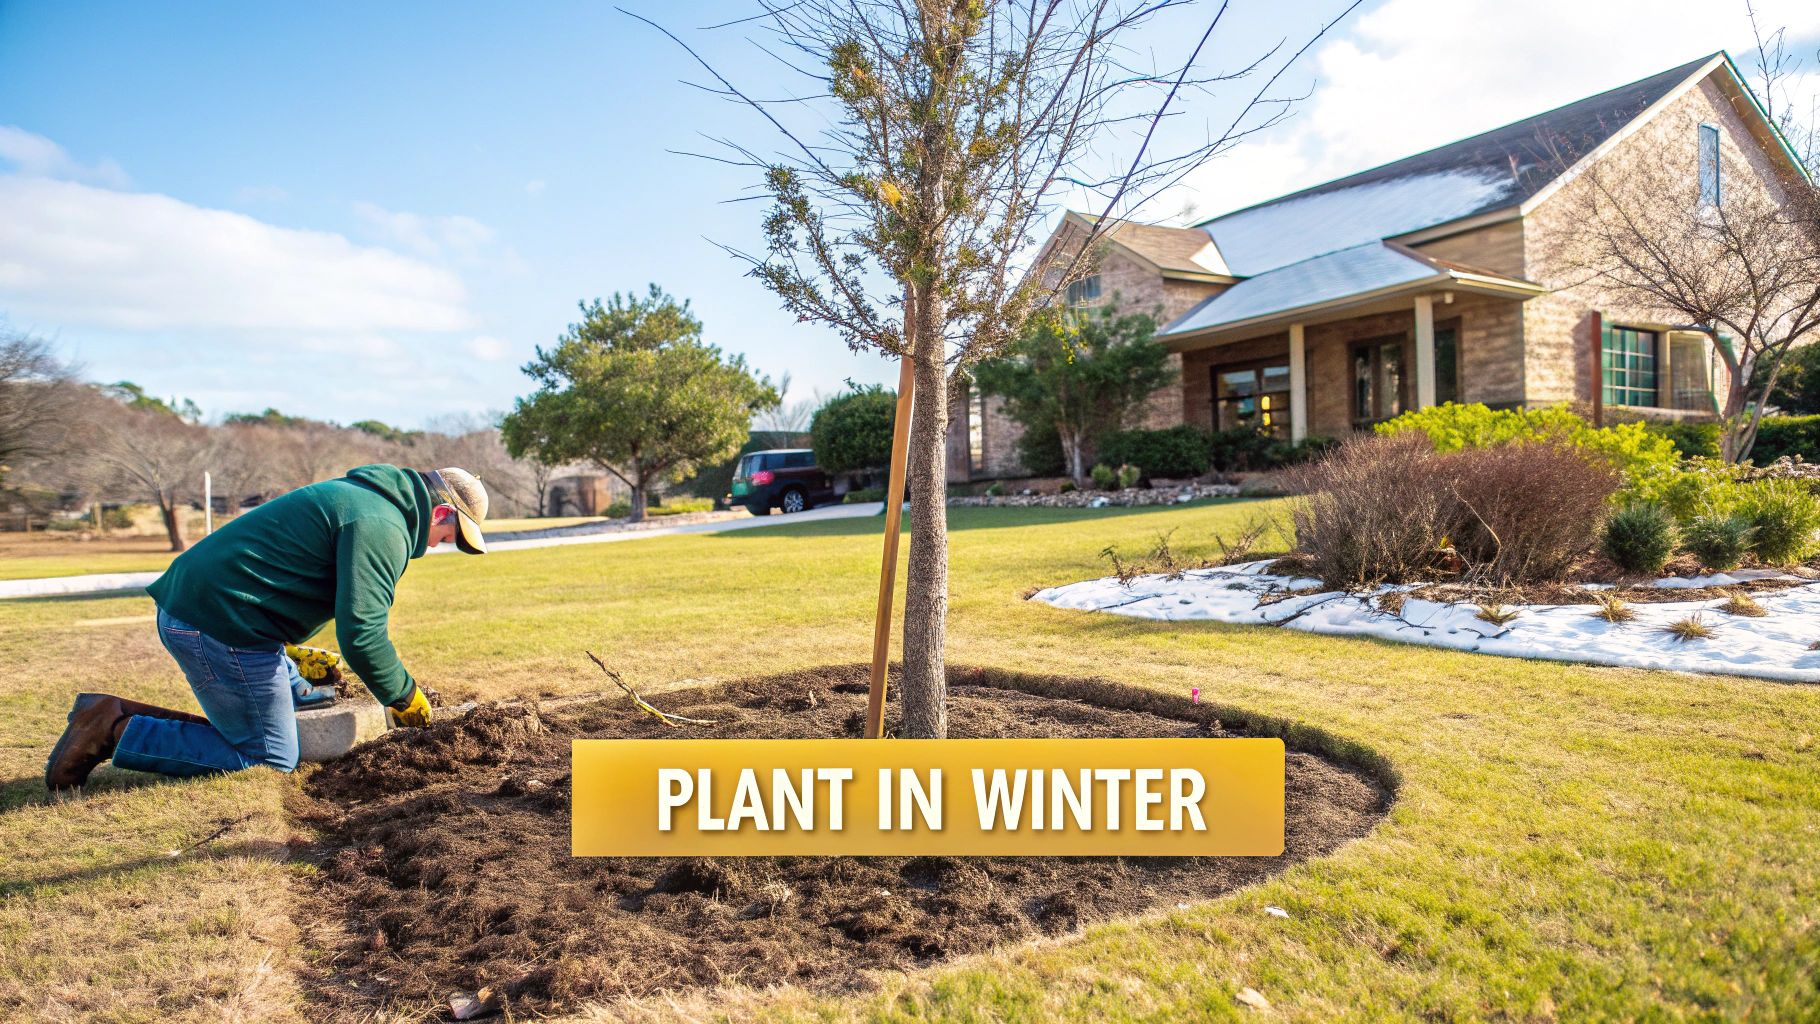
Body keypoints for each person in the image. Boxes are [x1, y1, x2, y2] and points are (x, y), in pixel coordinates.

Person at [44, 465, 489, 790]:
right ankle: (113, 730)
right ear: (440, 512)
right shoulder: (381, 526)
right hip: (219, 626)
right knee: (269, 756)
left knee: (307, 699)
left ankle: (115, 715)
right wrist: (404, 695)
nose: (436, 547)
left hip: (220, 613)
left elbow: (281, 573)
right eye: (448, 537)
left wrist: (291, 652)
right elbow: (362, 634)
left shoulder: (368, 500)